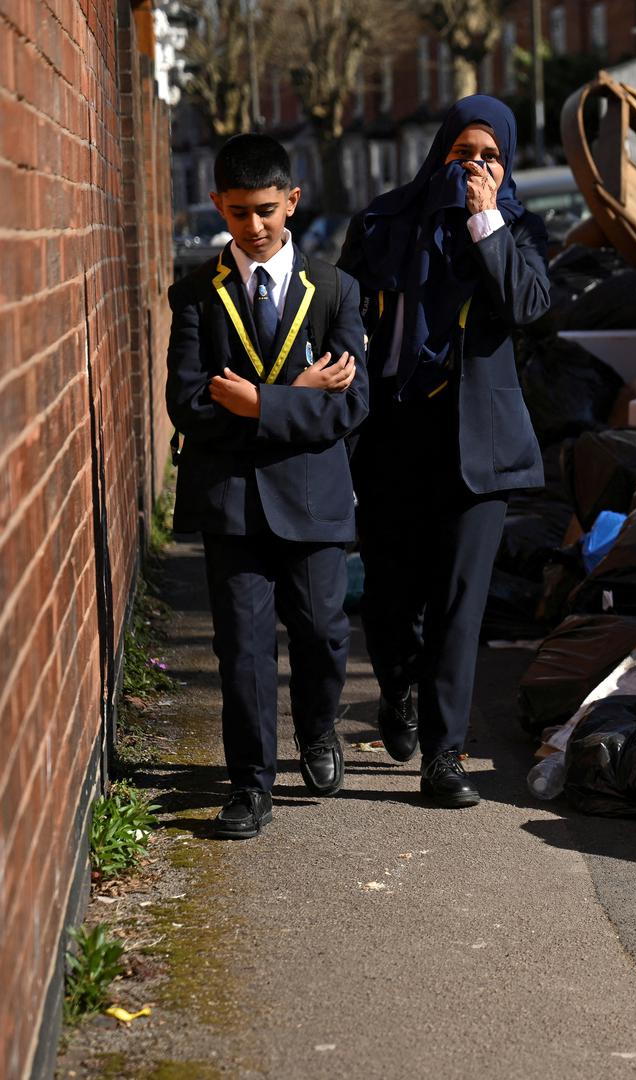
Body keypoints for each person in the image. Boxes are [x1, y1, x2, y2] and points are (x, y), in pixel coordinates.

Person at [338, 95, 551, 807]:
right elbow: (343, 313)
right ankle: (396, 691)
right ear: (440, 153)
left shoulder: (518, 231)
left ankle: (444, 757)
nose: (476, 169)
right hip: (395, 432)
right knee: (392, 600)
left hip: (478, 444)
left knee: (460, 604)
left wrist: (485, 221)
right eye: (464, 155)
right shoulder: (382, 222)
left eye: (491, 157)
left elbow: (526, 307)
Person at [166, 133, 369, 839]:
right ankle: (250, 784)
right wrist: (293, 397)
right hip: (233, 501)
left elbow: (350, 405)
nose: (254, 227)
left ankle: (318, 732)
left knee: (322, 630)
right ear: (218, 205)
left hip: (313, 497)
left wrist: (256, 402)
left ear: (293, 200)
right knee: (244, 648)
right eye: (238, 212)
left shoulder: (335, 290)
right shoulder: (195, 293)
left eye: (266, 210)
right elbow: (189, 404)